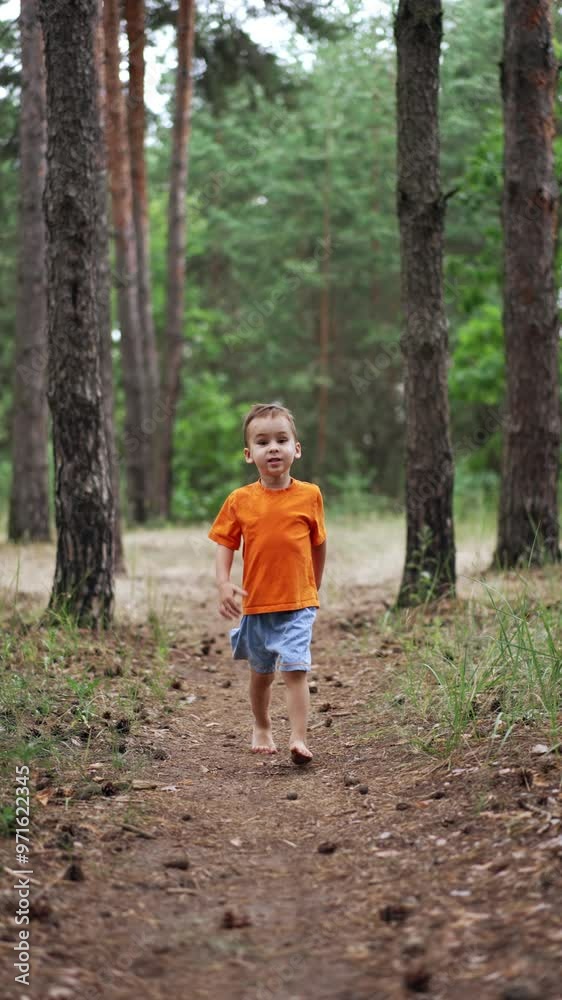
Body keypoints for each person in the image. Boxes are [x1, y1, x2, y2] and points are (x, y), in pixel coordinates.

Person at [208, 402, 327, 766]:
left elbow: (318, 545)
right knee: (261, 675)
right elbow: (225, 544)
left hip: (297, 604)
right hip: (258, 605)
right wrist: (224, 584)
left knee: (295, 669)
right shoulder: (240, 500)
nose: (273, 447)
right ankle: (261, 725)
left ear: (297, 448)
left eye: (281, 439)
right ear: (249, 454)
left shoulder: (310, 495)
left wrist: (313, 590)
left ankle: (299, 738)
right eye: (262, 442)